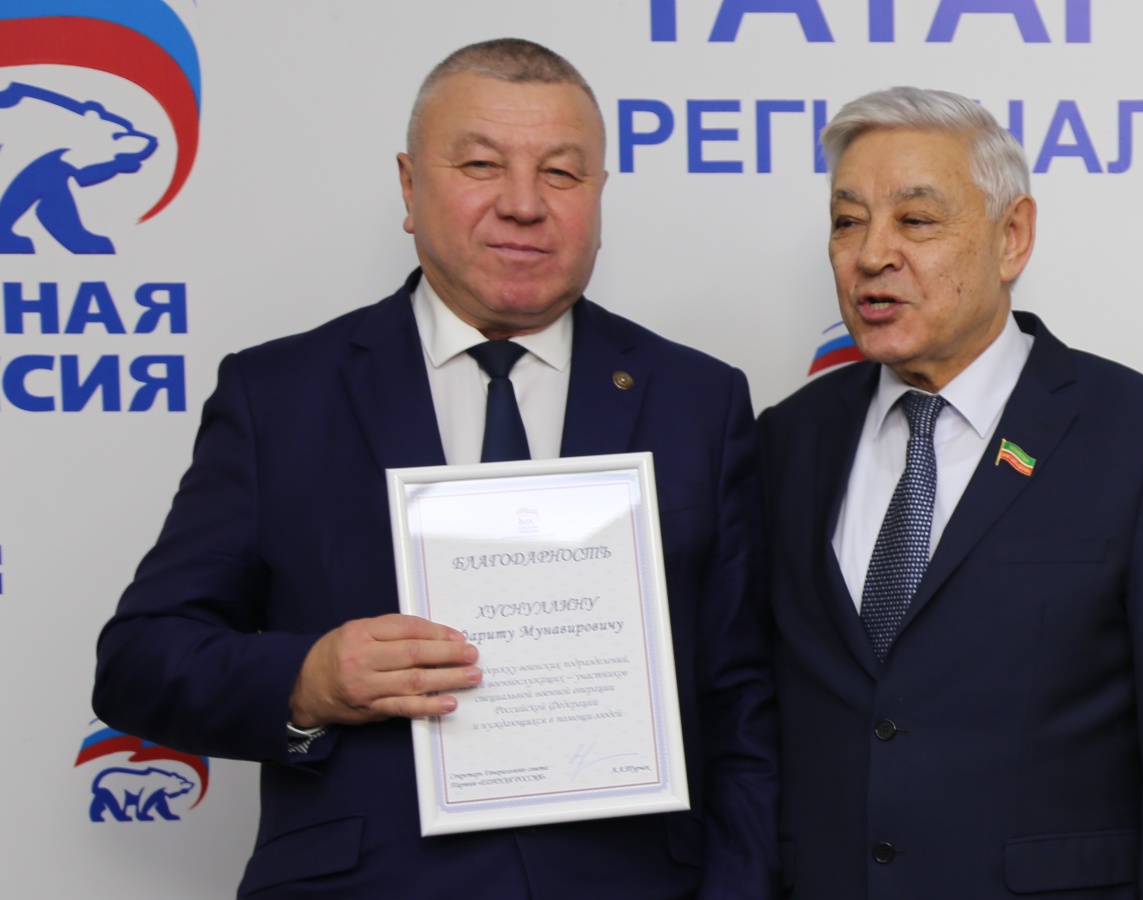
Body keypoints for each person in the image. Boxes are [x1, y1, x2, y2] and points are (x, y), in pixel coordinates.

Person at [94, 39, 777, 900]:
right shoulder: (279, 396)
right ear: (410, 187)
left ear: (599, 196)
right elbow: (140, 659)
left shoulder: (698, 401)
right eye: (481, 165)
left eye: (562, 173)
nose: (523, 204)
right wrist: (308, 680)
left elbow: (740, 702)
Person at [758, 87, 1143, 899]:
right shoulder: (788, 439)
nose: (872, 254)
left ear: (1011, 237)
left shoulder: (1140, 440)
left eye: (916, 220)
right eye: (847, 222)